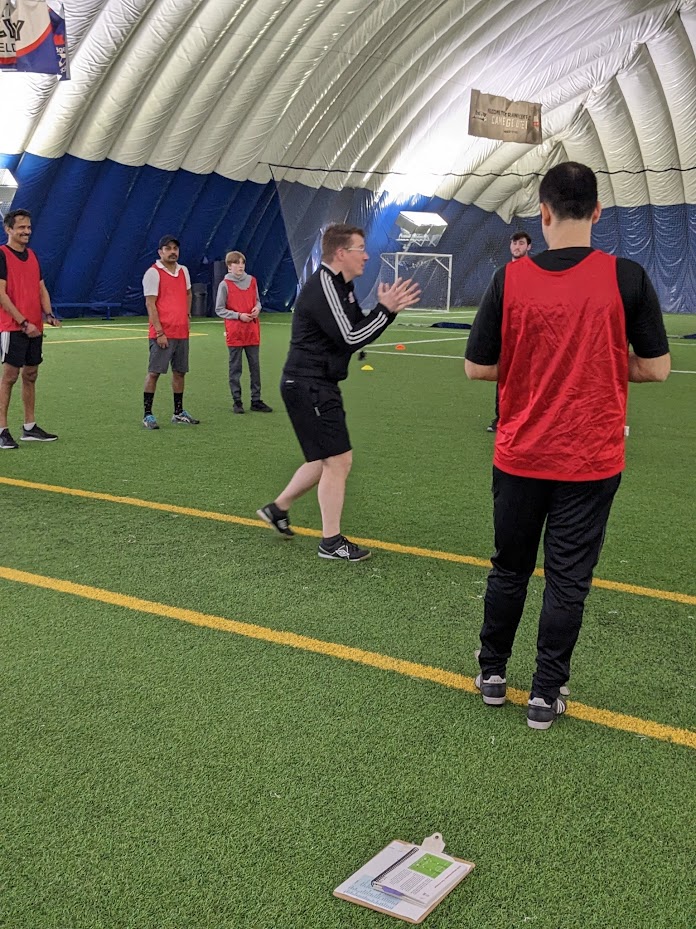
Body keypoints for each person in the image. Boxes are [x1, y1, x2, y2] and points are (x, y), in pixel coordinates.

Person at [465, 162, 670, 730]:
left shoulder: (509, 279)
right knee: (568, 580)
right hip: (590, 460)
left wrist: (538, 363)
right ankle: (545, 694)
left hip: (521, 455)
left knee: (509, 569)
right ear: (598, 212)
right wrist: (596, 360)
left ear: (544, 213)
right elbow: (656, 368)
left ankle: (492, 673)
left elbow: (477, 367)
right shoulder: (627, 277)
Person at [257, 223, 420, 561]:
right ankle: (330, 542)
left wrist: (385, 312)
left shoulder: (342, 287)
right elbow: (351, 338)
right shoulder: (325, 285)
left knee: (325, 459)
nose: (366, 255)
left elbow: (358, 329)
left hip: (313, 384)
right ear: (341, 253)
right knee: (339, 460)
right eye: (361, 248)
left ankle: (278, 508)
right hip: (309, 385)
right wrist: (386, 310)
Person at [0, 208, 61, 450]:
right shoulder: (2, 255)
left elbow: (41, 288)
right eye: (21, 227)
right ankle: (2, 430)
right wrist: (23, 322)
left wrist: (49, 314)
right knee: (9, 377)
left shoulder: (33, 255)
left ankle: (29, 427)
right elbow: (1, 295)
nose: (26, 231)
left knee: (31, 375)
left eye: (28, 227)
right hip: (13, 327)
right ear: (8, 229)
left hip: (35, 327)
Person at [141, 235, 199, 429]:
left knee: (180, 372)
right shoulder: (153, 273)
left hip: (181, 332)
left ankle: (178, 412)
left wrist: (187, 315)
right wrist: (159, 332)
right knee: (154, 373)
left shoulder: (184, 271)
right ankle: (148, 415)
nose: (173, 252)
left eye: (175, 248)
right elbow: (150, 303)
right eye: (168, 248)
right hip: (162, 334)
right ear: (160, 252)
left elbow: (188, 293)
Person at [215, 250, 272, 414]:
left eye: (242, 263)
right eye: (236, 263)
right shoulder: (225, 285)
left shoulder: (252, 281)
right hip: (235, 333)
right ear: (229, 266)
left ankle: (256, 400)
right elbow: (219, 309)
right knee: (235, 368)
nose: (240, 266)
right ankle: (237, 401)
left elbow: (258, 301)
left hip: (252, 331)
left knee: (255, 367)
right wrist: (238, 315)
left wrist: (257, 309)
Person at [487, 230, 532, 433]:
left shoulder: (537, 272)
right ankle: (501, 417)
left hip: (530, 334)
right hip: (506, 334)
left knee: (531, 377)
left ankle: (528, 418)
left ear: (528, 246)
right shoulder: (501, 274)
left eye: (521, 243)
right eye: (514, 243)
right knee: (504, 376)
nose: (517, 246)